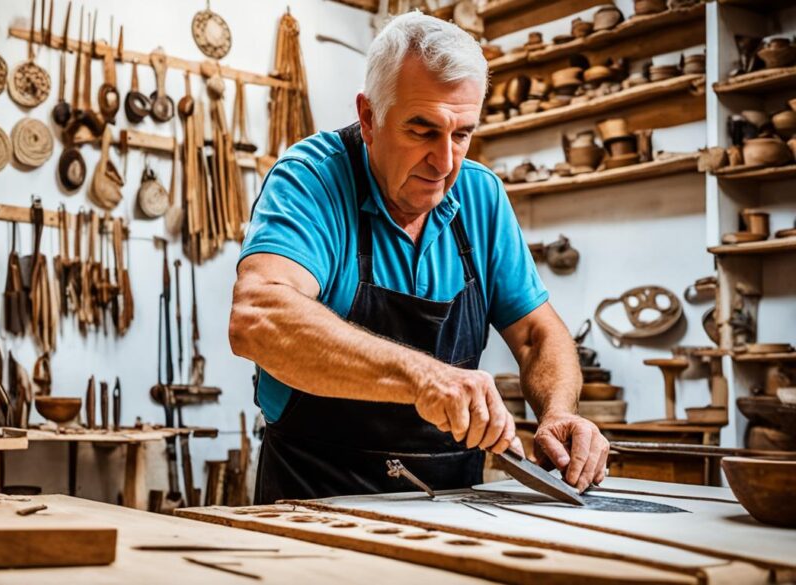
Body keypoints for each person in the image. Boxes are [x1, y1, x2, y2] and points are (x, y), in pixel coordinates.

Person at [229, 12, 609, 504]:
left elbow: (539, 335)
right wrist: (425, 378)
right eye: (423, 130)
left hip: (454, 508)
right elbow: (259, 318)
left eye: (461, 134)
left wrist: (558, 412)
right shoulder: (312, 179)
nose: (445, 162)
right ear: (369, 118)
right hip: (312, 501)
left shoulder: (481, 196)